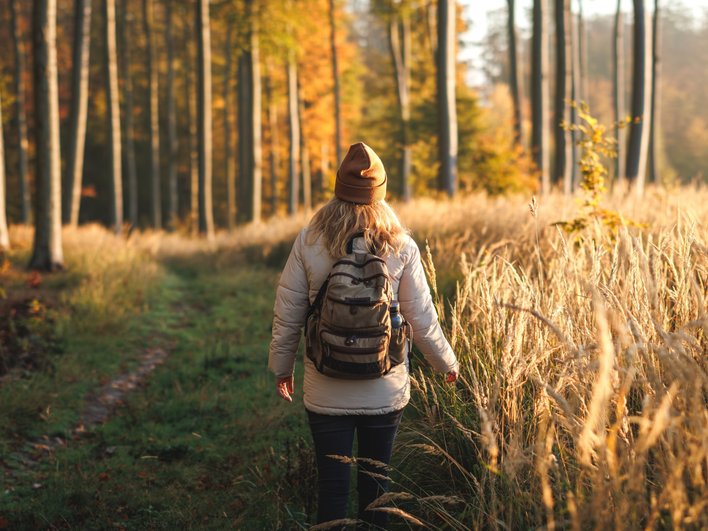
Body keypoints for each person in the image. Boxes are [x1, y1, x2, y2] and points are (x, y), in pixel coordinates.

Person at [268, 142, 459, 528]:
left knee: (332, 489)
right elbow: (420, 317)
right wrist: (447, 363)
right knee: (378, 489)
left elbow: (288, 312)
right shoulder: (400, 245)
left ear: (339, 188)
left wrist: (281, 367)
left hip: (325, 385)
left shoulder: (310, 239)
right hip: (384, 386)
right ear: (382, 192)